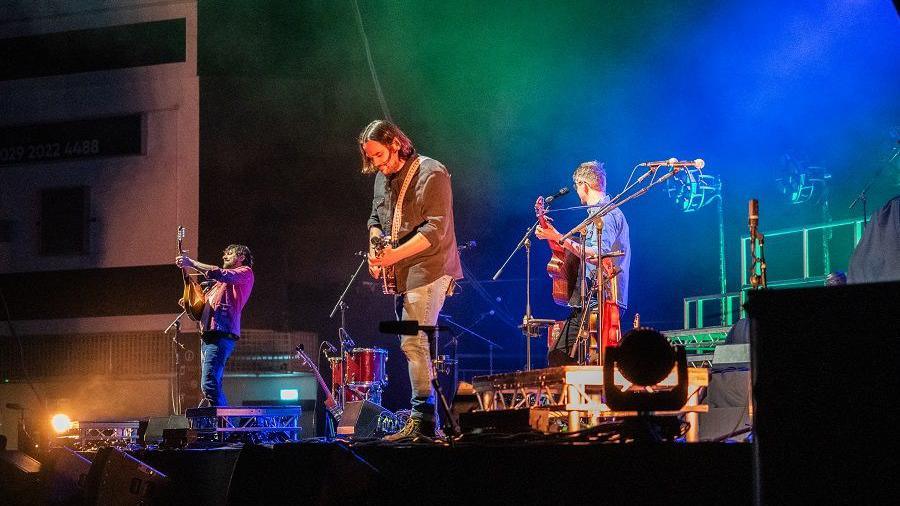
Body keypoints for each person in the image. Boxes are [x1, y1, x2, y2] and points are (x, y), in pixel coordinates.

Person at [361, 119, 463, 440]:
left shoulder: (431, 173)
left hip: (431, 268)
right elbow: (376, 219)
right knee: (412, 344)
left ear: (394, 143)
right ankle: (423, 418)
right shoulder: (382, 177)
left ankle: (423, 419)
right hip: (403, 271)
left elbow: (435, 230)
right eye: (371, 158)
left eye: (379, 155)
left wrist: (393, 256)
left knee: (414, 341)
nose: (376, 164)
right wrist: (375, 250)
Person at [535, 161, 630, 366]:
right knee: (571, 358)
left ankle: (580, 398)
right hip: (594, 299)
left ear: (583, 184)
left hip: (602, 300)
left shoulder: (604, 215)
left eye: (577, 187)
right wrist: (553, 234)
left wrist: (559, 237)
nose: (578, 192)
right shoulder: (600, 214)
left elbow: (598, 255)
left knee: (561, 357)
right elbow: (576, 253)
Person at [176, 244, 254, 407]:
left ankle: (225, 428)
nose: (224, 256)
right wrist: (190, 304)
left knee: (209, 384)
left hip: (221, 334)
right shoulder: (216, 286)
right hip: (209, 336)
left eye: (230, 254)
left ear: (241, 258)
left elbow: (218, 272)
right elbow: (201, 312)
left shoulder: (245, 272)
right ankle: (222, 428)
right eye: (224, 254)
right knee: (212, 385)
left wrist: (191, 263)